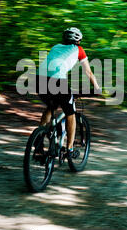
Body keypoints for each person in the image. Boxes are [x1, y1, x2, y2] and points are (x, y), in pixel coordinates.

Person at [37, 27, 101, 159]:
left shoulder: (55, 47)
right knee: (70, 113)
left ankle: (39, 136)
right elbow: (88, 72)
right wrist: (96, 88)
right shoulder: (79, 50)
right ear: (78, 40)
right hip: (58, 80)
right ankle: (70, 149)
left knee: (51, 106)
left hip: (38, 79)